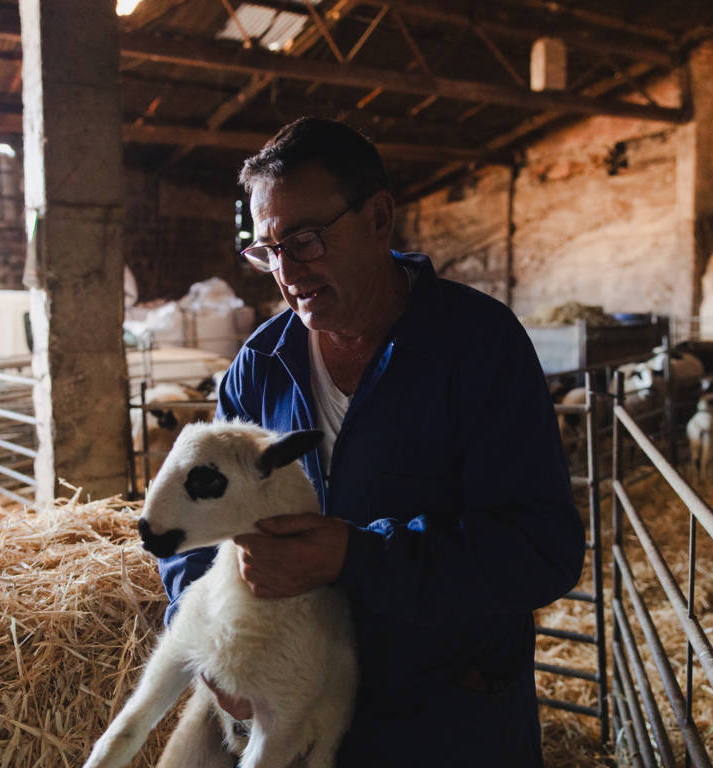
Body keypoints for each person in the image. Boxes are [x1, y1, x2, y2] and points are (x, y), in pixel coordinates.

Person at [157, 117, 585, 766]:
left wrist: (358, 557)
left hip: (448, 721)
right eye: (266, 249)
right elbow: (198, 528)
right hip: (301, 717)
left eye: (303, 240)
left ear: (379, 217)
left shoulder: (476, 347)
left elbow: (540, 550)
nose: (284, 270)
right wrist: (208, 644)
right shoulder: (259, 365)